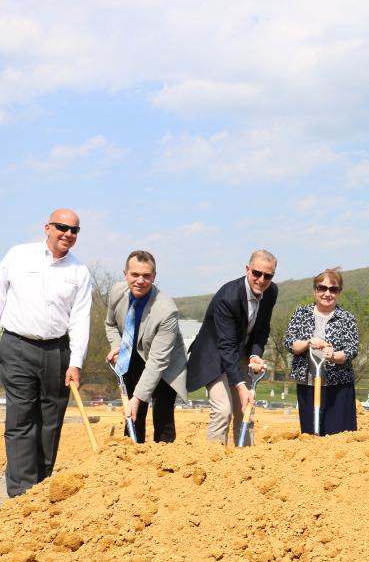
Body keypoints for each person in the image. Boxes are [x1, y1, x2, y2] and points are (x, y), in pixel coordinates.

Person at [0, 209, 92, 498]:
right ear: (47, 228)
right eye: (62, 227)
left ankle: (41, 484)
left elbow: (80, 319)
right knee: (21, 415)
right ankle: (20, 490)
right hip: (17, 344)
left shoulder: (79, 271)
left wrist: (75, 362)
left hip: (57, 350)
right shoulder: (18, 256)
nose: (68, 234)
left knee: (51, 418)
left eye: (74, 230)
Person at [186, 250, 278, 445]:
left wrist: (255, 355)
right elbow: (226, 346)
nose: (261, 279)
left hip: (240, 353)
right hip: (214, 356)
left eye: (268, 275)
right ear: (247, 269)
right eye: (257, 273)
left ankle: (244, 463)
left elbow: (262, 328)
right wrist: (240, 385)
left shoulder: (271, 292)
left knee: (246, 410)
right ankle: (214, 463)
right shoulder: (227, 297)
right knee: (223, 411)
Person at [104, 250, 189, 442]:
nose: (140, 281)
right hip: (133, 356)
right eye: (134, 274)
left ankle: (163, 461)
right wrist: (117, 346)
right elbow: (109, 324)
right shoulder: (117, 292)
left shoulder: (166, 310)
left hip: (165, 365)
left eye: (146, 276)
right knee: (133, 415)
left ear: (154, 277)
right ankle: (132, 457)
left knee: (162, 415)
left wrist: (137, 397)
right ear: (125, 274)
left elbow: (157, 361)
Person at [283, 268, 360, 435]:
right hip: (308, 385)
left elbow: (352, 350)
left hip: (338, 387)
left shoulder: (346, 318)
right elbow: (290, 343)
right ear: (315, 290)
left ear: (339, 292)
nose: (327, 293)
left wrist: (333, 355)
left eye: (333, 289)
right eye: (322, 288)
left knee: (339, 434)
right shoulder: (301, 314)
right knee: (311, 433)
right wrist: (308, 343)